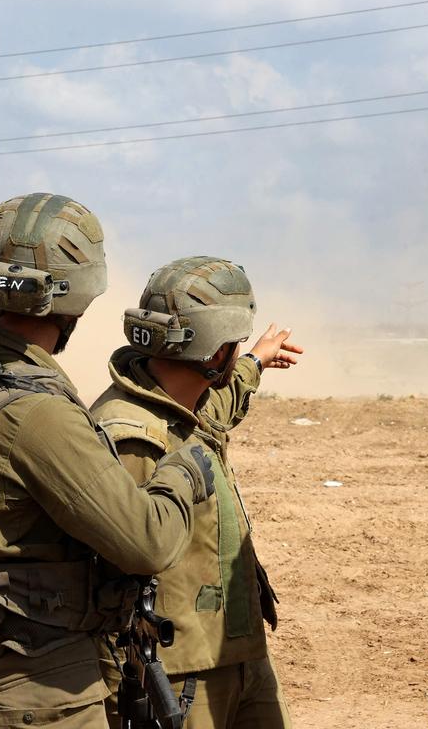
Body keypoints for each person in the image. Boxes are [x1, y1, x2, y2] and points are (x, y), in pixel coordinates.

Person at [0, 194, 214, 729]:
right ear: (78, 295)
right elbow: (148, 543)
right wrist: (183, 468)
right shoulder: (38, 415)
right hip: (38, 695)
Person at [90, 256, 302, 729]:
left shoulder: (184, 403)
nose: (238, 349)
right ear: (212, 352)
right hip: (179, 670)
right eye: (234, 342)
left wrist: (254, 361)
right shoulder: (131, 436)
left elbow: (218, 405)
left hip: (235, 649)